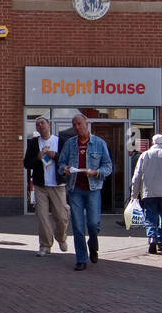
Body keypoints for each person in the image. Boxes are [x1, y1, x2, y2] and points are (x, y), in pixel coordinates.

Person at [57, 113, 112, 271]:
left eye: (79, 124)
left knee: (93, 224)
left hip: (93, 188)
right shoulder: (70, 144)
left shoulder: (99, 143)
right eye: (74, 125)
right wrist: (65, 169)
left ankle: (93, 243)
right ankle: (81, 258)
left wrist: (96, 172)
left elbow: (108, 166)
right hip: (75, 189)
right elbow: (61, 163)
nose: (77, 127)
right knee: (78, 226)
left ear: (86, 124)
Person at [130, 133, 162, 254]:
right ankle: (161, 242)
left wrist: (134, 193)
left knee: (150, 216)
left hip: (149, 192)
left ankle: (152, 236)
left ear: (153, 143)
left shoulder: (145, 155)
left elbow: (137, 176)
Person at [24, 117, 68, 255]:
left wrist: (55, 155)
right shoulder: (33, 143)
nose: (40, 125)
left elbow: (68, 160)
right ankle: (45, 245)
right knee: (42, 216)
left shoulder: (60, 141)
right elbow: (26, 164)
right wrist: (37, 158)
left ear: (49, 125)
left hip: (57, 184)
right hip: (40, 185)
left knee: (61, 216)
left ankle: (61, 238)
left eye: (42, 123)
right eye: (37, 124)